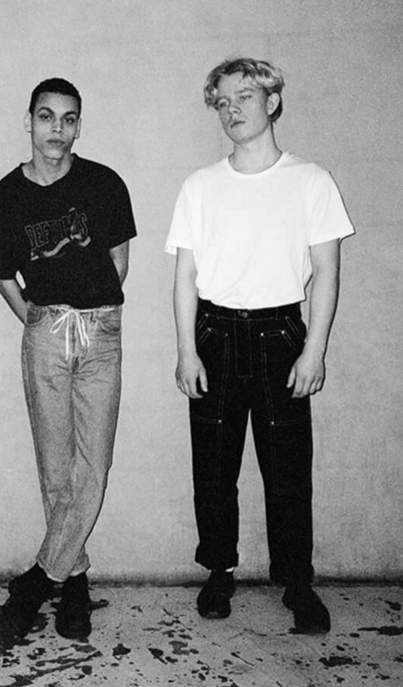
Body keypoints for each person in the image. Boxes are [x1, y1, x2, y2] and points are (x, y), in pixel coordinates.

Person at [166, 57, 354, 634]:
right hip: (215, 336)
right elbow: (185, 276)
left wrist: (314, 350)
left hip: (281, 338)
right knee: (214, 467)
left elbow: (327, 272)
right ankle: (219, 571)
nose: (232, 110)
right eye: (222, 102)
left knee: (288, 469)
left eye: (244, 97)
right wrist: (186, 350)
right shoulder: (200, 186)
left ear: (271, 102)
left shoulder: (311, 181)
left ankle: (297, 581)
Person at [0, 78, 136, 640]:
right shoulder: (6, 196)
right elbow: (2, 274)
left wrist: (91, 310)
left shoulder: (104, 183)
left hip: (100, 333)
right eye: (46, 116)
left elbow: (119, 261)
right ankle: (73, 584)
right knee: (55, 466)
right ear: (29, 121)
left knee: (93, 464)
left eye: (68, 119)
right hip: (46, 330)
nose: (57, 129)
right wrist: (37, 317)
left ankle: (39, 578)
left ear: (78, 127)